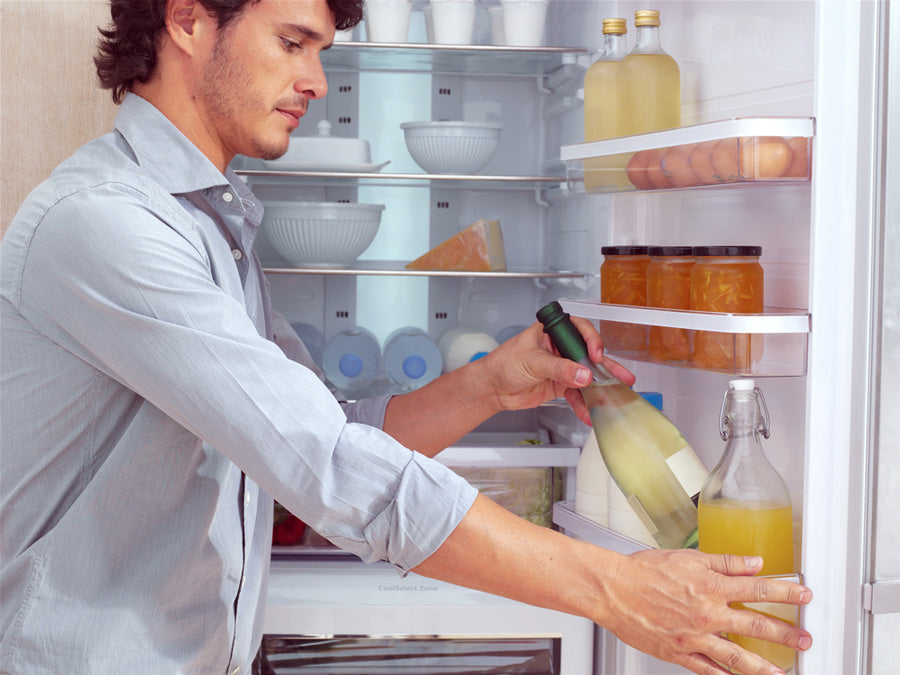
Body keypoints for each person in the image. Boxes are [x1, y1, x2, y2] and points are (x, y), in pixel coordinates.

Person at [0, 0, 813, 673]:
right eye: (292, 43)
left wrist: (490, 384)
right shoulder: (107, 224)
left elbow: (324, 427)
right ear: (186, 20)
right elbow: (323, 463)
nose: (316, 80)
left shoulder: (210, 222)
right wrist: (615, 588)